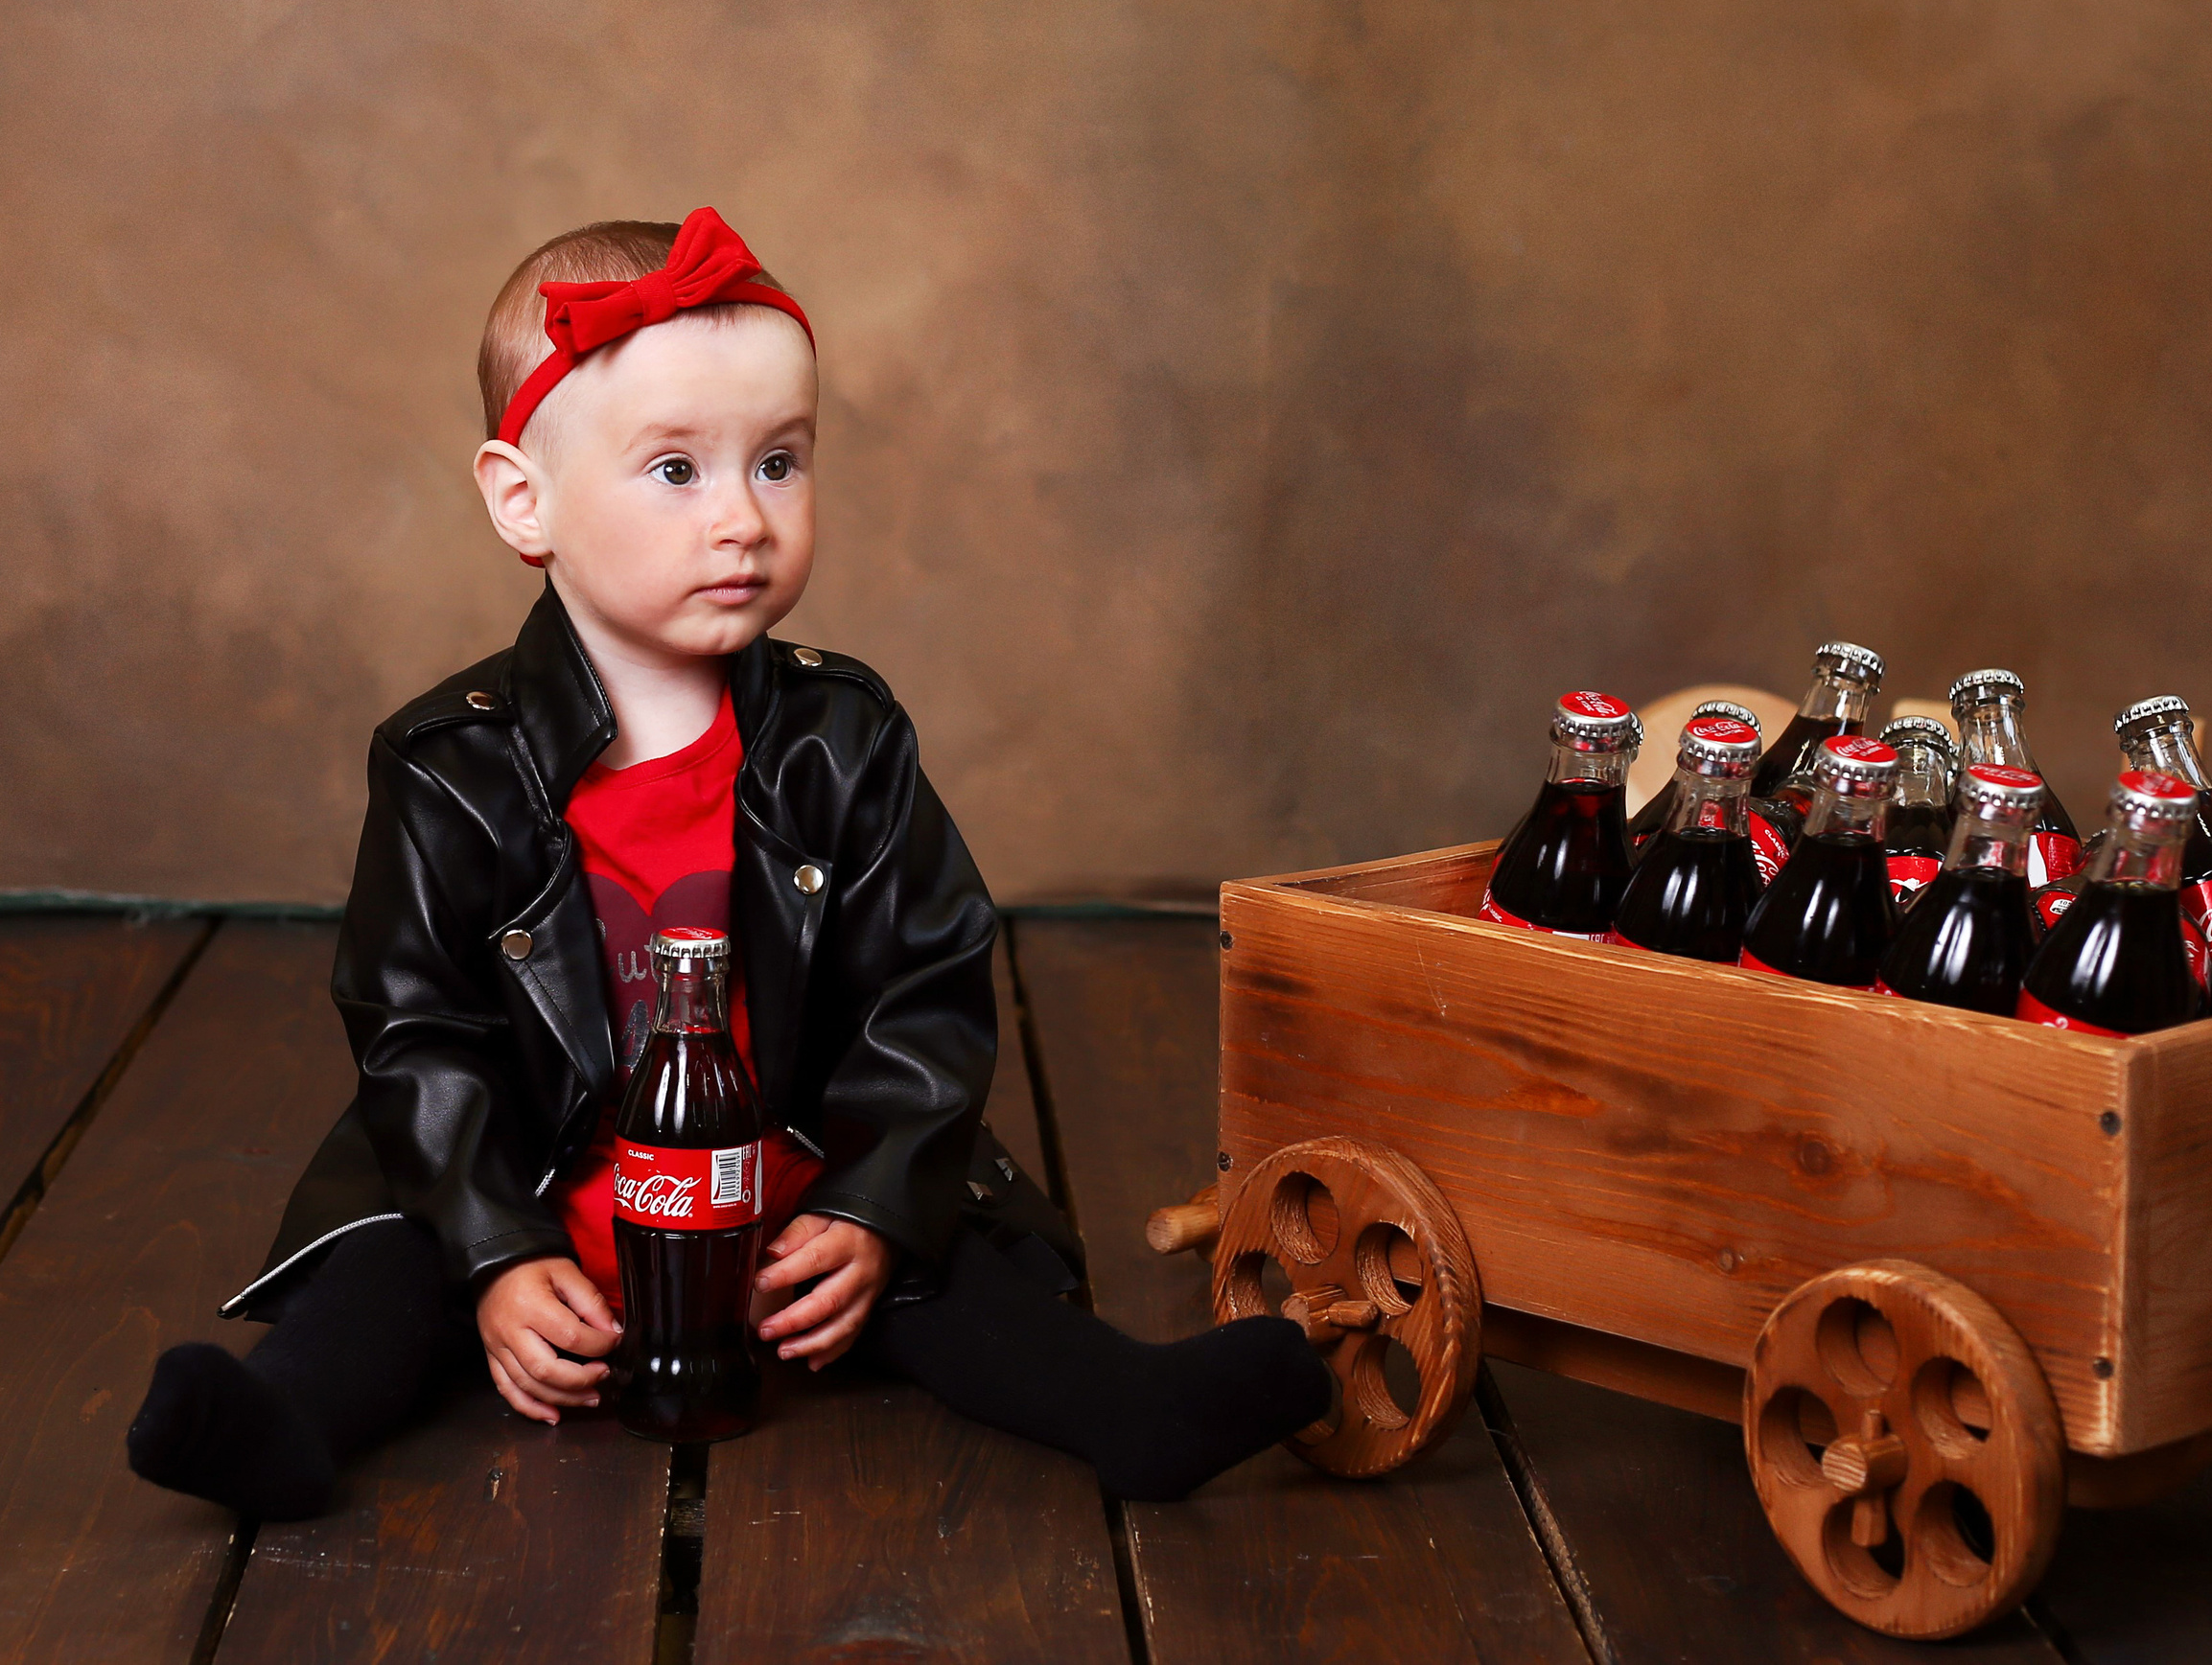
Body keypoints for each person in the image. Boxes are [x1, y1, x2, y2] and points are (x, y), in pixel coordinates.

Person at [125, 210, 1329, 1519]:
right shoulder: (446, 766)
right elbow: (416, 1033)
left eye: (780, 463)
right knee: (386, 1275)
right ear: (522, 499)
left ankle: (1127, 1409)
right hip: (536, 1179)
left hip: (783, 1177)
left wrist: (871, 1204)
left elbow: (926, 989)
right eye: (678, 471)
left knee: (939, 1273)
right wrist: (496, 1253)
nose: (744, 520)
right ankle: (285, 1419)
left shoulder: (844, 737)